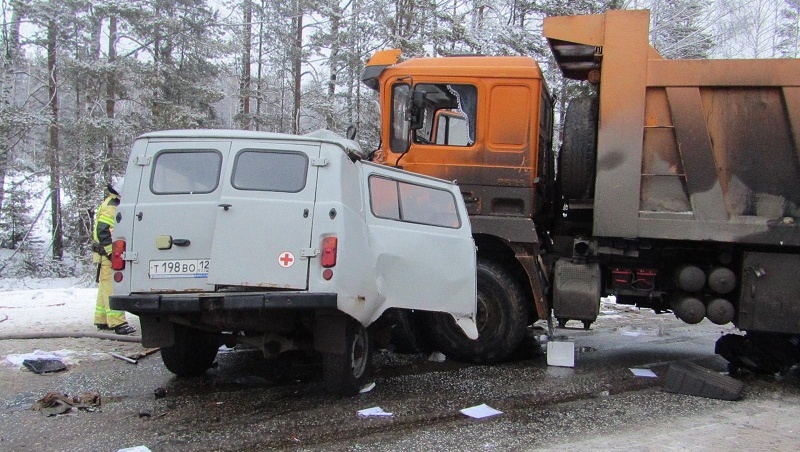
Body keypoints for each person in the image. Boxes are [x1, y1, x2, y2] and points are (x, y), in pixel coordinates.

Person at [92, 178, 136, 335]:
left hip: (104, 253)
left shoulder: (111, 202)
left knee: (104, 286)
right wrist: (112, 253)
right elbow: (103, 230)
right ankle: (118, 323)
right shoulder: (112, 207)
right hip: (107, 253)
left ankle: (102, 319)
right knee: (111, 286)